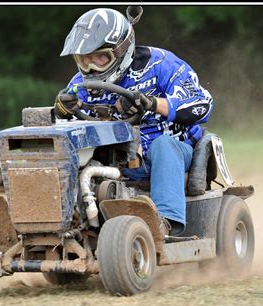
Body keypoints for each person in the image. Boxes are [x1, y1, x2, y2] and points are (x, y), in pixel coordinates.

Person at [54, 7, 214, 236]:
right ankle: (70, 222)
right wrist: (61, 110)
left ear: (121, 51)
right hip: (117, 159)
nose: (90, 67)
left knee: (163, 146)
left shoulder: (160, 64)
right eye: (84, 59)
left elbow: (202, 104)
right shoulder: (80, 83)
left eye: (99, 58)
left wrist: (152, 103)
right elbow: (72, 126)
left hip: (173, 152)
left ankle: (166, 225)